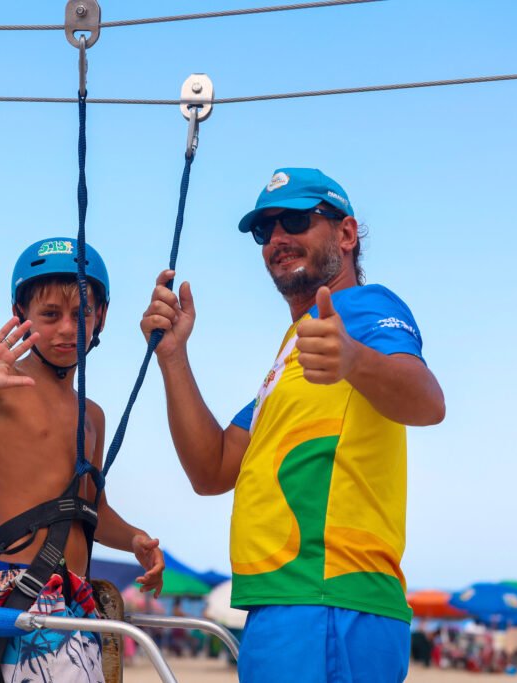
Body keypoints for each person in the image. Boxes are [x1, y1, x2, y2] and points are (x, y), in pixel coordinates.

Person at [141, 168, 446, 682]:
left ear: (346, 234)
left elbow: (429, 401)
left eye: (297, 220)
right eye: (265, 230)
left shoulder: (363, 309)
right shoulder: (287, 361)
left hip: (329, 599)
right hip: (284, 603)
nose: (278, 239)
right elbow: (211, 469)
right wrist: (173, 357)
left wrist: (354, 360)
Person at [0, 237, 165, 683]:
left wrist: (135, 538)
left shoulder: (92, 414)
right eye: (51, 315)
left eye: (81, 315)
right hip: (24, 590)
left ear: (102, 317)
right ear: (21, 317)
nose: (67, 329)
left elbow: (89, 509)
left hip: (77, 599)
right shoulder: (3, 385)